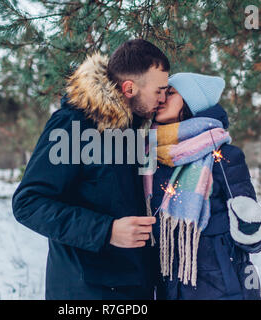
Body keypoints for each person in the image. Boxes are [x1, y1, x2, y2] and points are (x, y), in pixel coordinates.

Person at [12, 39, 170, 299]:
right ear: (129, 88)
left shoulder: (134, 130)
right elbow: (28, 204)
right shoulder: (73, 125)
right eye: (159, 91)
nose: (163, 99)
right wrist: (106, 231)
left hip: (133, 289)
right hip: (86, 291)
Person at [144, 72, 261, 300]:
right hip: (167, 288)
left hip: (220, 287)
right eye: (160, 92)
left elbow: (256, 240)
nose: (161, 98)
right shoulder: (150, 155)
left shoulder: (223, 155)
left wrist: (250, 225)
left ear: (192, 102)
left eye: (170, 93)